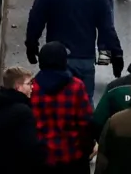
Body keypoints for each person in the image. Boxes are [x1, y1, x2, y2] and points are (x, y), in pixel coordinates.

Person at [26, 0, 123, 89]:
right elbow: (106, 27)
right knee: (85, 103)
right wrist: (116, 54)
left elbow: (36, 20)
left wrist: (31, 45)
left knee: (58, 102)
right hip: (85, 58)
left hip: (57, 59)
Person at [29, 44, 95, 174]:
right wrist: (87, 148)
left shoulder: (33, 88)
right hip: (72, 156)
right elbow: (85, 122)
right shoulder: (76, 86)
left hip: (43, 157)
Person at [0, 68, 46, 174]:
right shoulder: (23, 112)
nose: (32, 87)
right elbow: (30, 147)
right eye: (29, 83)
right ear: (18, 87)